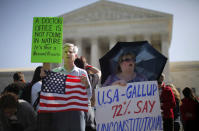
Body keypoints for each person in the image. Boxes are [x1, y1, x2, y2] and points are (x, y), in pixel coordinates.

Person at [40, 43, 92, 131]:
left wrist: (87, 85)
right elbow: (49, 95)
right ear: (62, 56)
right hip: (60, 112)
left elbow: (88, 96)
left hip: (77, 113)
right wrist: (45, 79)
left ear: (75, 56)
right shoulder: (55, 72)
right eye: (65, 52)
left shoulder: (82, 73)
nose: (67, 53)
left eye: (70, 52)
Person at [74, 56, 101, 131]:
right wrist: (88, 66)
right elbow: (99, 72)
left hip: (73, 113)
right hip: (87, 113)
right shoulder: (89, 78)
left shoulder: (70, 78)